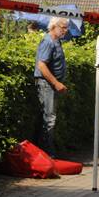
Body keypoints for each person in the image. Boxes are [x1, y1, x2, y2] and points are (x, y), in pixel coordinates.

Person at [34, 17, 69, 156]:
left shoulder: (56, 41)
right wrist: (56, 83)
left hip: (51, 85)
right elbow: (41, 65)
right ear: (53, 26)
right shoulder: (48, 41)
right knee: (49, 119)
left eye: (67, 27)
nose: (65, 30)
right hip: (46, 84)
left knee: (49, 118)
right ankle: (47, 154)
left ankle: (46, 152)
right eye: (63, 27)